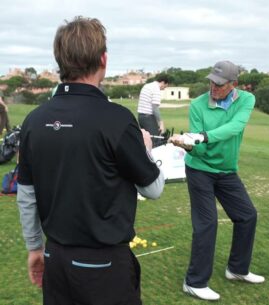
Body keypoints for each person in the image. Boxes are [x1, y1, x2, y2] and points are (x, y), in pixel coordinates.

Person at [17, 16, 164, 305]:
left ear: (60, 61)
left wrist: (35, 248)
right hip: (104, 267)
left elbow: (27, 195)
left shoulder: (34, 121)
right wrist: (146, 148)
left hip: (55, 260)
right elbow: (153, 188)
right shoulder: (117, 119)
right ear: (103, 59)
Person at [169, 60, 265, 301]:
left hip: (226, 170)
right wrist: (189, 145)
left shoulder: (246, 100)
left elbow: (235, 127)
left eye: (219, 84)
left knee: (247, 215)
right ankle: (194, 282)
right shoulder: (198, 105)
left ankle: (237, 269)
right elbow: (200, 150)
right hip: (199, 170)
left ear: (233, 84)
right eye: (212, 81)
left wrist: (202, 137)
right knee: (207, 223)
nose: (213, 87)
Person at [137, 73, 169, 147]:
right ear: (163, 82)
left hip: (141, 117)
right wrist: (161, 123)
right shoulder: (156, 88)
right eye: (165, 86)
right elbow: (155, 108)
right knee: (155, 141)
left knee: (146, 141)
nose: (164, 89)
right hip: (148, 118)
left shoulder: (147, 85)